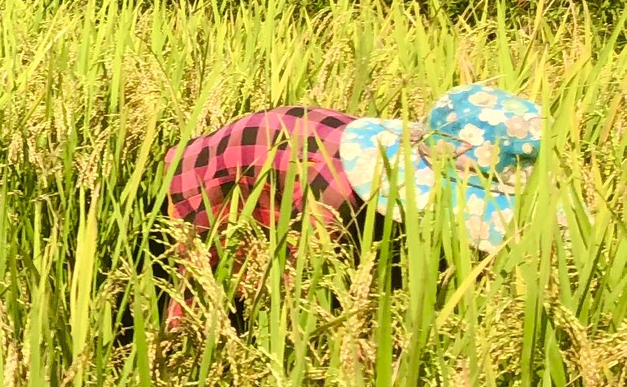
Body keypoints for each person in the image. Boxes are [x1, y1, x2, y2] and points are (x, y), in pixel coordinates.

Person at [164, 83, 543, 321]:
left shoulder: (383, 189)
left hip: (301, 167)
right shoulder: (335, 196)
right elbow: (303, 296)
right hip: (228, 169)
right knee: (203, 289)